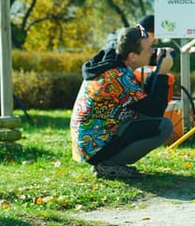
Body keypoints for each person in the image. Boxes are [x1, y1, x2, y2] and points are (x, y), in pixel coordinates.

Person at [70, 24, 174, 179]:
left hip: (93, 141)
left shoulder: (114, 67)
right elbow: (155, 109)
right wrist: (162, 74)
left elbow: (143, 100)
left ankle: (109, 162)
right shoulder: (117, 77)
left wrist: (157, 71)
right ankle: (108, 165)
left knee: (149, 119)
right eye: (149, 49)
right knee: (164, 126)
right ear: (132, 56)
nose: (153, 52)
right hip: (95, 147)